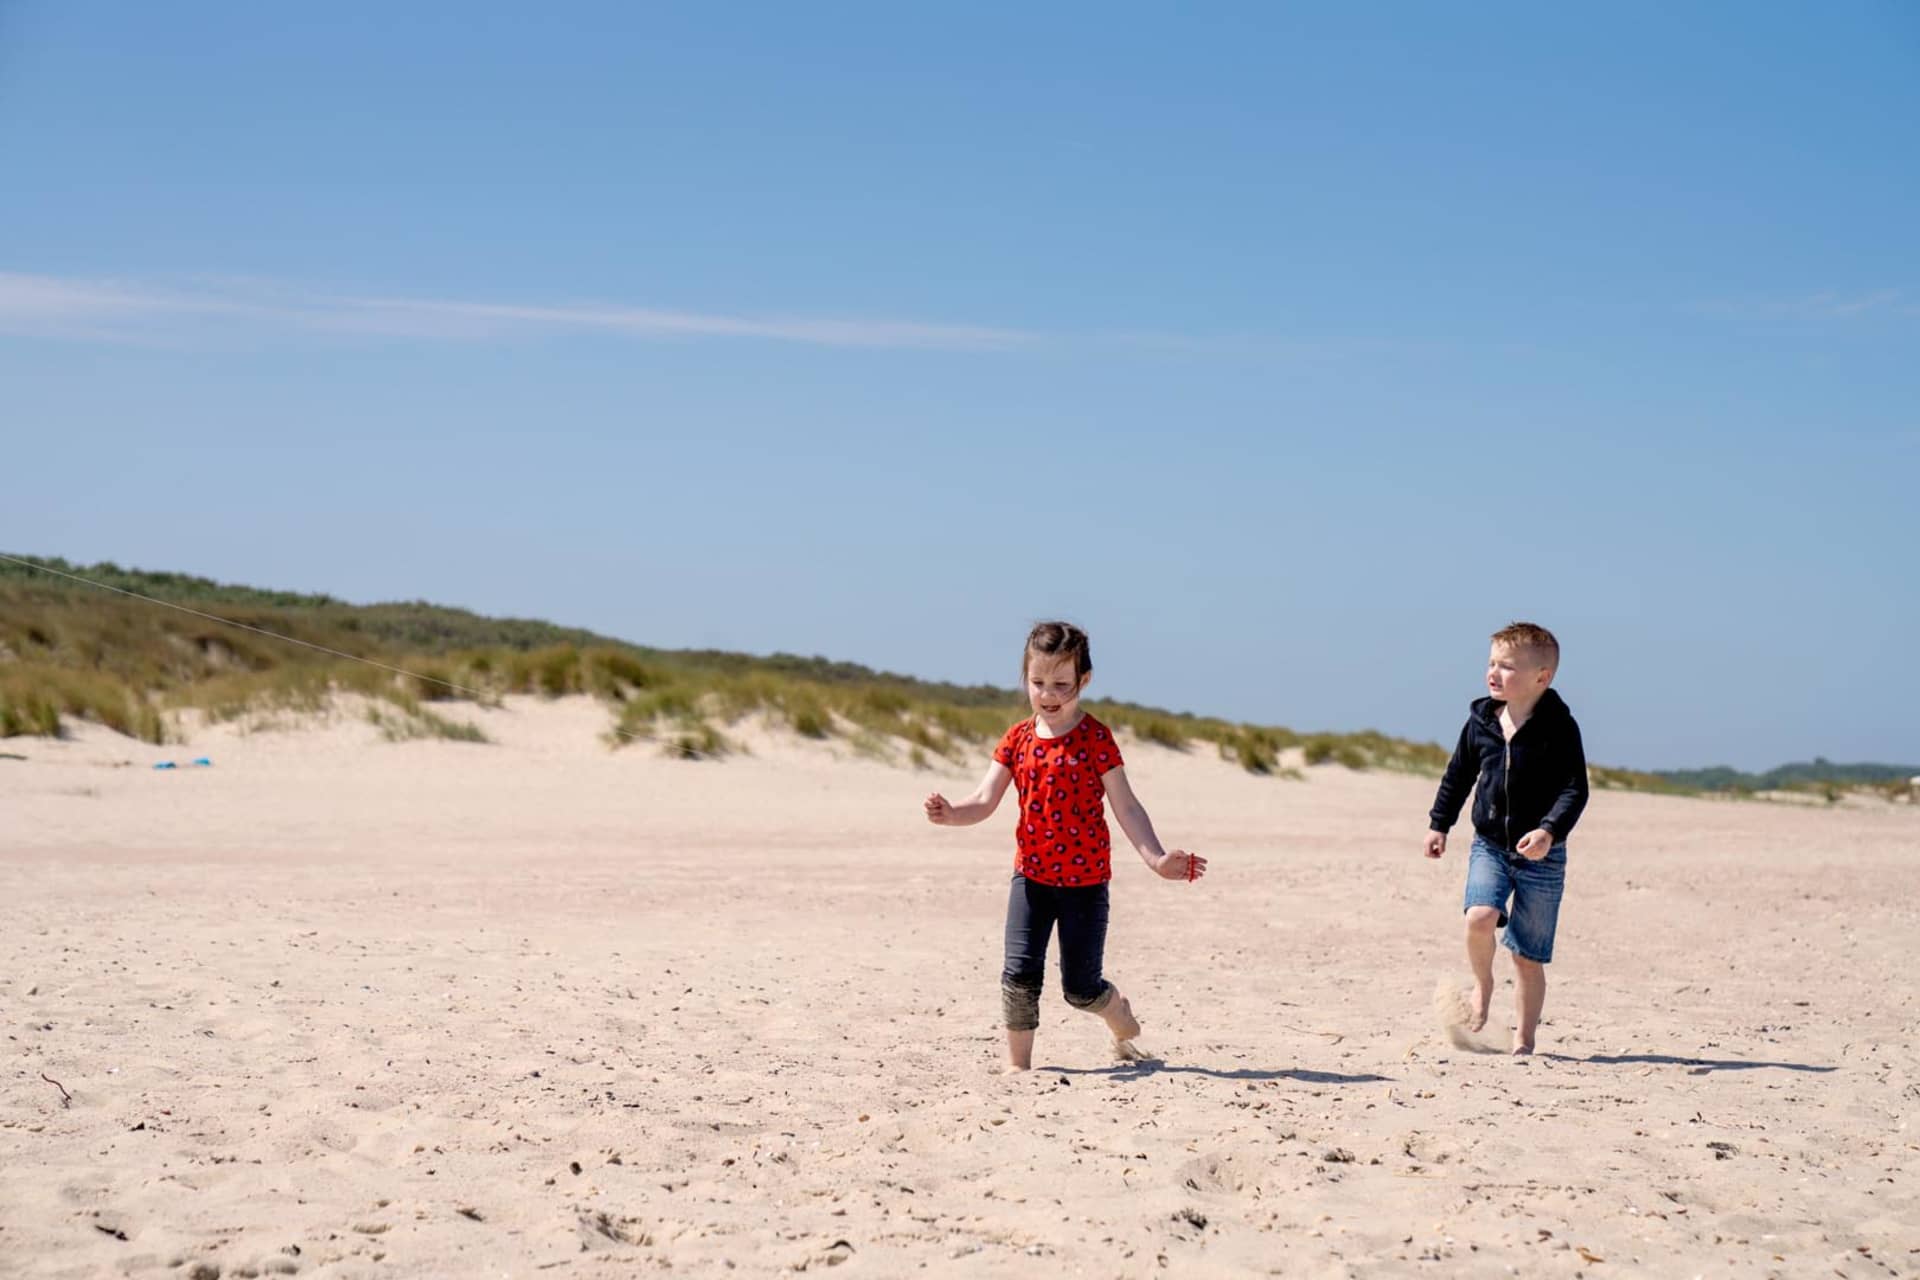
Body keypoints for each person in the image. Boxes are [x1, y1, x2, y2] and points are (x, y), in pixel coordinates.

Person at [924, 621, 1207, 1070]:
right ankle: (1019, 1068)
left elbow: (1127, 807)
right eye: (1038, 683)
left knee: (1079, 988)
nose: (1048, 695)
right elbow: (983, 799)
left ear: (1084, 681)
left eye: (1061, 684)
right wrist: (951, 813)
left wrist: (1156, 859)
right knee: (1019, 976)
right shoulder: (1017, 739)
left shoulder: (1096, 739)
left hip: (1085, 885)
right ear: (1026, 679)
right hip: (1031, 880)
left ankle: (1115, 1009)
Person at [1424, 621, 1589, 1054]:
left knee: (1527, 957)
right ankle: (1483, 985)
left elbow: (1576, 788)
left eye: (1508, 666)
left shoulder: (1559, 727)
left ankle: (1524, 1040)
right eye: (1492, 663)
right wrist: (1439, 824)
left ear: (1542, 677)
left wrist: (1549, 831)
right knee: (1479, 916)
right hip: (1491, 844)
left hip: (1542, 856)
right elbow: (1458, 775)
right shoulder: (1481, 722)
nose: (1494, 673)